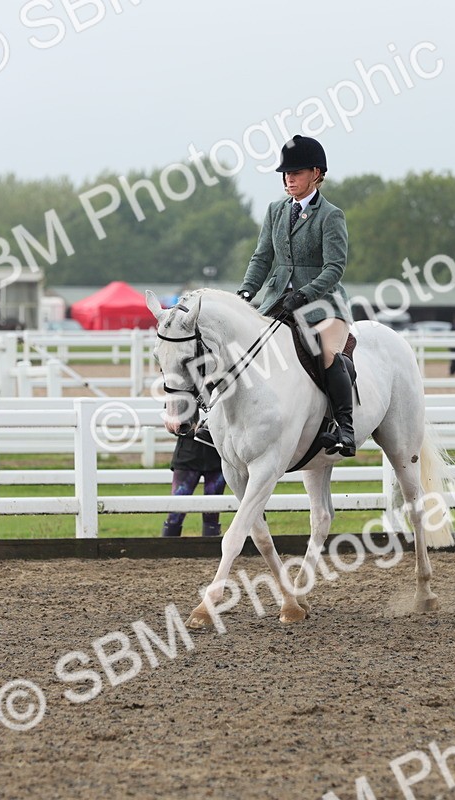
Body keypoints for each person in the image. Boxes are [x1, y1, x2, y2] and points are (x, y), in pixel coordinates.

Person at [204, 134, 356, 456]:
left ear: (316, 173)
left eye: (296, 172)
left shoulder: (330, 215)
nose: (289, 178)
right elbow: (262, 258)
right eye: (286, 173)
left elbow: (335, 267)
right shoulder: (275, 211)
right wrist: (247, 290)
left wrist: (304, 294)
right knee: (244, 348)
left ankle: (344, 427)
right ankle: (220, 420)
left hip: (324, 305)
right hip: (277, 300)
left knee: (327, 353)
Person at [161, 433, 226, 537]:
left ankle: (211, 550)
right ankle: (167, 550)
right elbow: (174, 424)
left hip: (217, 457)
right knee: (175, 512)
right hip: (187, 456)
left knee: (212, 514)